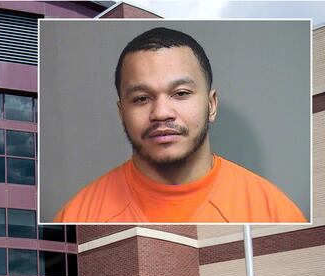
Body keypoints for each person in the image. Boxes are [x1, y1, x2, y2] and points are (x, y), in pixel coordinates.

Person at [54, 27, 306, 224]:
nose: (161, 113)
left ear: (211, 105)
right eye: (141, 98)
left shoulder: (275, 211)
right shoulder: (76, 214)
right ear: (122, 113)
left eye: (181, 93)